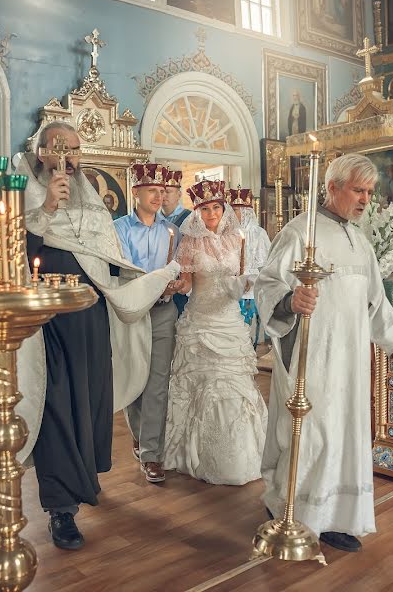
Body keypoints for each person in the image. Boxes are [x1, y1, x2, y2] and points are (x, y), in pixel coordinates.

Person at [14, 121, 181, 551]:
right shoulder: (20, 186)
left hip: (89, 315)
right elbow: (10, 248)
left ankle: (82, 480)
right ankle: (60, 509)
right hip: (46, 319)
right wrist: (46, 209)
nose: (66, 156)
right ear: (41, 149)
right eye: (58, 147)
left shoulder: (88, 192)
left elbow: (106, 252)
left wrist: (134, 281)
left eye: (73, 148)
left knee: (87, 403)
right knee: (55, 406)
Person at [255, 153, 393, 553]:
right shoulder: (298, 232)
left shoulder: (359, 240)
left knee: (343, 435)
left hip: (351, 361)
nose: (365, 200)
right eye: (358, 190)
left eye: (369, 192)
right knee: (314, 435)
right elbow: (265, 285)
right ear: (332, 187)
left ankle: (335, 516)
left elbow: (375, 301)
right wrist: (291, 301)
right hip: (314, 356)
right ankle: (295, 509)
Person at [162, 180, 268, 485]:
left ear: (225, 209)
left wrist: (248, 282)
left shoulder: (238, 239)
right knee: (203, 383)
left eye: (216, 207)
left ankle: (242, 453)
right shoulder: (189, 242)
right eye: (205, 208)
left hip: (229, 320)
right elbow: (186, 283)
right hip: (200, 321)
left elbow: (242, 278)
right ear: (197, 211)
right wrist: (172, 285)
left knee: (234, 384)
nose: (211, 214)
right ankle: (199, 454)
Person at [113, 163, 181, 484]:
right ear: (136, 191)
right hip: (132, 313)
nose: (159, 195)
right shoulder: (120, 229)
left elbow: (177, 270)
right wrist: (156, 282)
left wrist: (176, 283)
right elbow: (127, 271)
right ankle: (140, 436)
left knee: (157, 382)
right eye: (152, 189)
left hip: (164, 312)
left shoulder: (173, 231)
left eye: (162, 190)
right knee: (134, 379)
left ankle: (152, 453)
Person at [229, 187, 271, 347]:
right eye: (232, 210)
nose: (234, 214)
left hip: (251, 289)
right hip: (231, 287)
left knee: (249, 330)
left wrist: (252, 281)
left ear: (247, 212)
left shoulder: (259, 233)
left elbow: (265, 265)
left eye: (238, 210)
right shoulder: (226, 234)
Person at [161, 169, 191, 314]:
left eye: (168, 191)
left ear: (179, 194)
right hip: (159, 281)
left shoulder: (190, 218)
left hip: (181, 281)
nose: (163, 195)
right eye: (161, 191)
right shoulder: (154, 218)